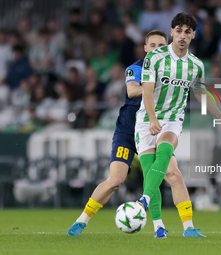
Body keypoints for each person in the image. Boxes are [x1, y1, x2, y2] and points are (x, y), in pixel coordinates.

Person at [67, 29, 209, 238]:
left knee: (173, 174)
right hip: (128, 129)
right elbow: (132, 90)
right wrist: (155, 86)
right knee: (115, 180)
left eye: (162, 46)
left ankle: (184, 228)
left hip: (156, 128)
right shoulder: (136, 67)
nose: (157, 50)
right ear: (145, 49)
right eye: (153, 46)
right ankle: (82, 220)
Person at [134, 13, 221, 237]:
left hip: (173, 119)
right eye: (179, 30)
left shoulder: (196, 65)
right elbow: (147, 90)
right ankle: (159, 226)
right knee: (166, 174)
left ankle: (143, 202)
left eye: (188, 31)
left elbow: (202, 96)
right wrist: (152, 119)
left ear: (193, 35)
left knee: (164, 152)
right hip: (146, 120)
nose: (183, 35)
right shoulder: (155, 58)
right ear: (172, 32)